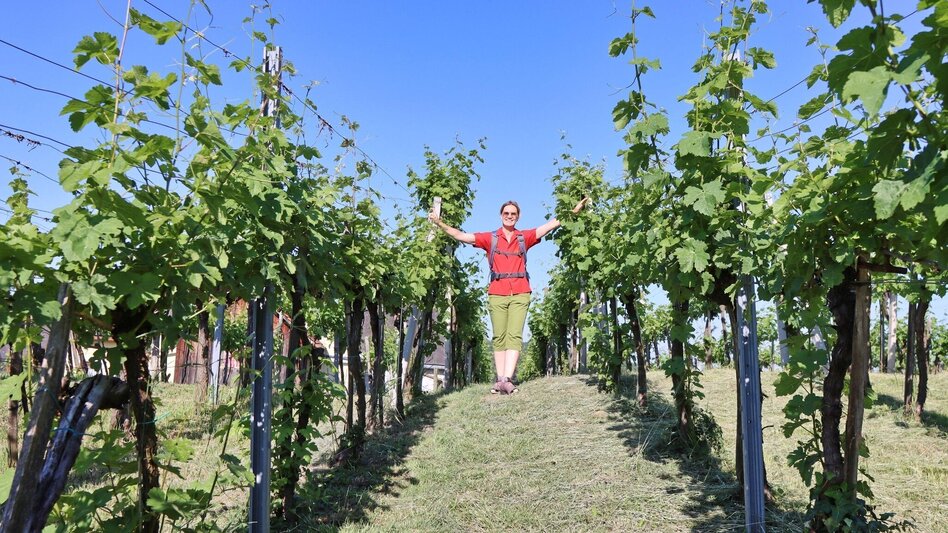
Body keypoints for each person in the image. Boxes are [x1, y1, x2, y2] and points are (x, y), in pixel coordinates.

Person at [429, 197, 588, 394]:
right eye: (506, 213)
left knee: (514, 334)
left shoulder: (524, 237)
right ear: (501, 216)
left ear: (518, 217)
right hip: (497, 291)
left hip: (521, 291)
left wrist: (574, 211)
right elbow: (462, 236)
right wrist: (439, 223)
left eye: (513, 214)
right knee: (499, 336)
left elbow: (550, 226)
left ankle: (506, 379)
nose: (509, 216)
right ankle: (500, 379)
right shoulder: (490, 238)